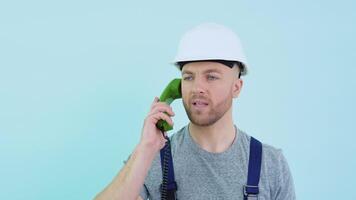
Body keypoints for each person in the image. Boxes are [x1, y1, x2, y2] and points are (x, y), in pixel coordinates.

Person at [95, 23, 296, 200]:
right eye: (189, 77)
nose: (197, 87)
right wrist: (145, 148)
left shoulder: (271, 164)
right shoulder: (154, 158)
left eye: (211, 77)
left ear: (236, 87)